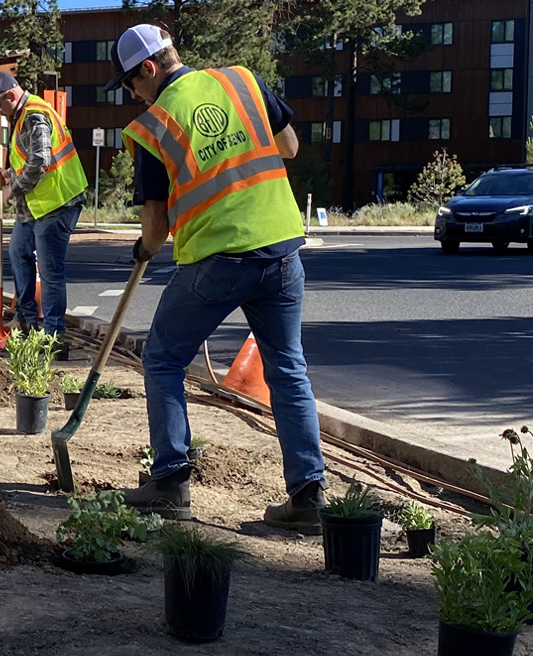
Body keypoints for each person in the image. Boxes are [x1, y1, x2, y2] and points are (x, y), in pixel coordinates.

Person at [107, 24, 326, 532]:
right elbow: (289, 147)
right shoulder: (242, 82)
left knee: (161, 359)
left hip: (219, 260)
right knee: (288, 370)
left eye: (128, 84)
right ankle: (309, 496)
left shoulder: (154, 125)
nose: (131, 95)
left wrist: (142, 249)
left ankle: (169, 482)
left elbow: (157, 229)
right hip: (282, 251)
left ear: (148, 69)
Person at [0, 71, 89, 350]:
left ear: (10, 96)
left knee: (51, 273)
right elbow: (28, 159)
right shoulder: (21, 117)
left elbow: (41, 160)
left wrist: (12, 188)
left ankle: (54, 337)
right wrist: (9, 172)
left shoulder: (33, 115)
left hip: (57, 203)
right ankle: (26, 323)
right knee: (18, 253)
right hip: (36, 206)